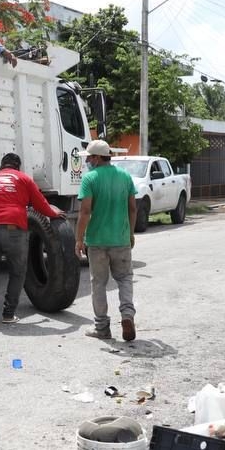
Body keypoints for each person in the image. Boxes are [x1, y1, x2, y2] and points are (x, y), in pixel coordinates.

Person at [0, 152, 64, 324]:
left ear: (2, 166)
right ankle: (8, 314)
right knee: (17, 272)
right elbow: (40, 203)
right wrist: (52, 213)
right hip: (13, 228)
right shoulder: (23, 179)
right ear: (18, 167)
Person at [74, 139, 138, 341]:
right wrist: (130, 233)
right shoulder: (125, 176)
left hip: (97, 241)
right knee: (125, 279)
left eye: (90, 158)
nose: (88, 161)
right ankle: (127, 315)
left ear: (97, 157)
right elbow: (133, 208)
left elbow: (85, 212)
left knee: (99, 284)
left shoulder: (90, 178)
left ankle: (102, 328)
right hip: (121, 239)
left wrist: (78, 239)